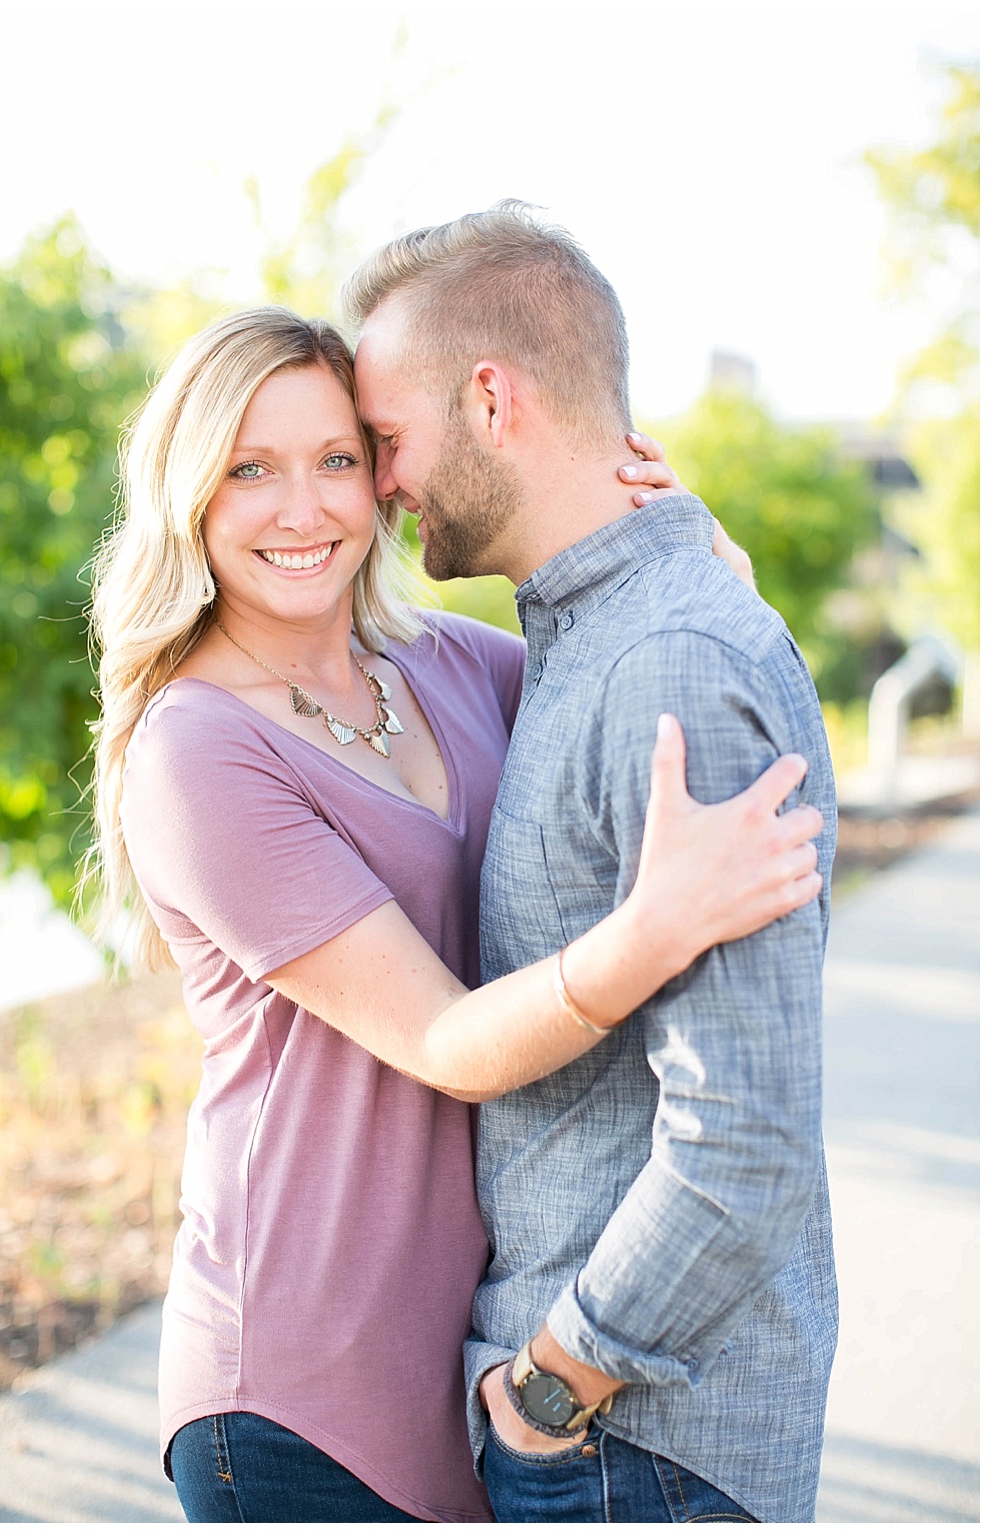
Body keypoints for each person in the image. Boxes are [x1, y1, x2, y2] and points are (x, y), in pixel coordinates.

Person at [90, 306, 823, 1520]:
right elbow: (444, 1043)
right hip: (296, 1383)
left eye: (336, 460)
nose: (302, 508)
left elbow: (661, 685)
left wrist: (698, 565)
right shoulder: (195, 750)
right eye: (248, 470)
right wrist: (652, 930)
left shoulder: (452, 663)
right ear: (189, 494)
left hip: (482, 1357)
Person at [346, 202, 836, 1523]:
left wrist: (558, 1385)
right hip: (619, 1440)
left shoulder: (669, 659)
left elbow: (747, 1134)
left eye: (387, 440)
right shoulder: (597, 636)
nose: (378, 486)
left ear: (494, 398)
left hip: (635, 1446)